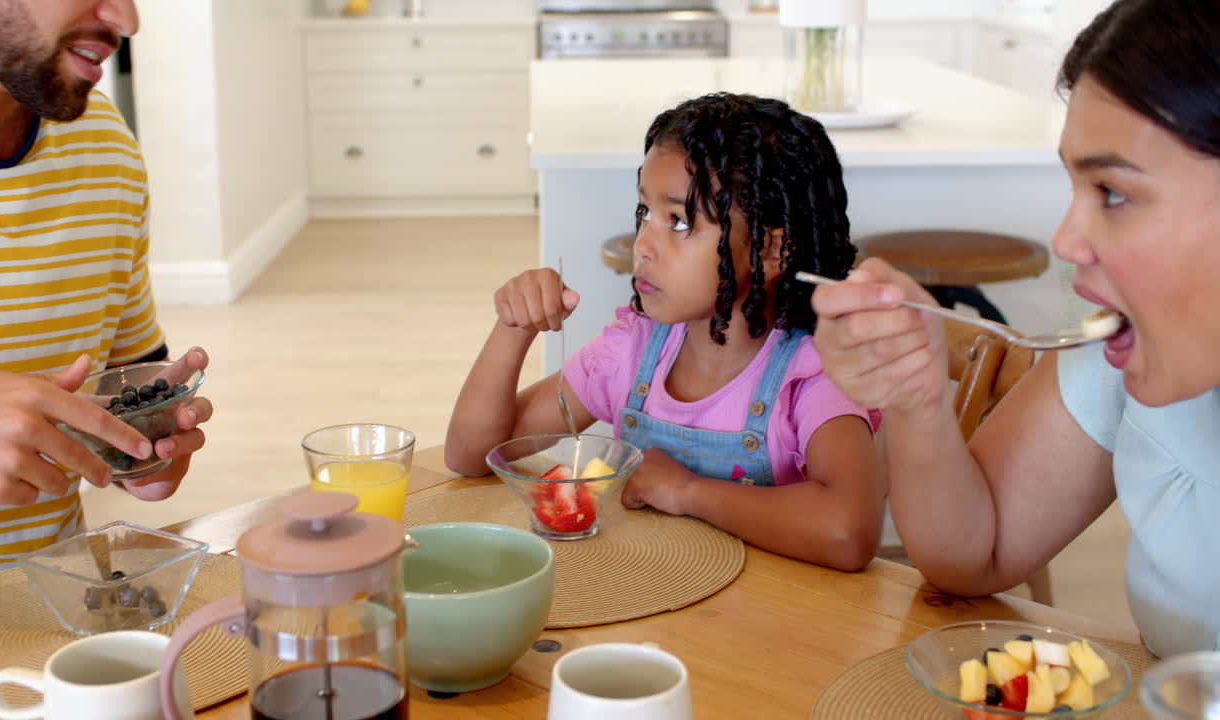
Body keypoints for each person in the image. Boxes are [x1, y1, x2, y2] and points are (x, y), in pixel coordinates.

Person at [808, 0, 1220, 656]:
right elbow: (976, 552)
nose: (1066, 239)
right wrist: (916, 399)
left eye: (1112, 192)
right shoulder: (1122, 347)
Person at [447, 93, 885, 570]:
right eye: (644, 214)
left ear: (769, 249)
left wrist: (687, 491)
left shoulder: (814, 375)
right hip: (650, 603)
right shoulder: (633, 351)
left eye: (677, 221)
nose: (643, 244)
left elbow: (848, 532)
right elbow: (474, 454)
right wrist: (514, 327)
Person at [0, 0, 212, 589]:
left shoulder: (101, 146)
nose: (127, 20)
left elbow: (124, 374)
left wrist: (140, 442)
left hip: (48, 606)